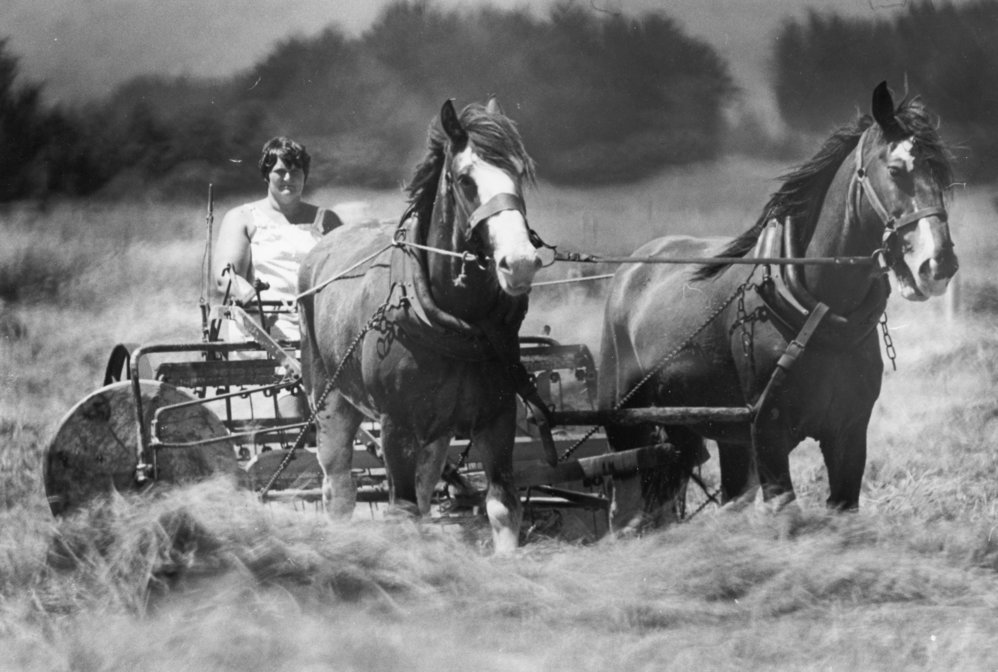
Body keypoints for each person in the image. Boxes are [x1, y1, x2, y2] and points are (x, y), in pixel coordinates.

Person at [214, 136, 342, 417]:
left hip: (318, 329)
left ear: (305, 175)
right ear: (266, 174)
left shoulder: (327, 220)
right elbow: (226, 274)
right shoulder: (243, 218)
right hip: (266, 329)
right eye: (280, 171)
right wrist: (247, 295)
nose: (288, 178)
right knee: (292, 412)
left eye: (295, 171)